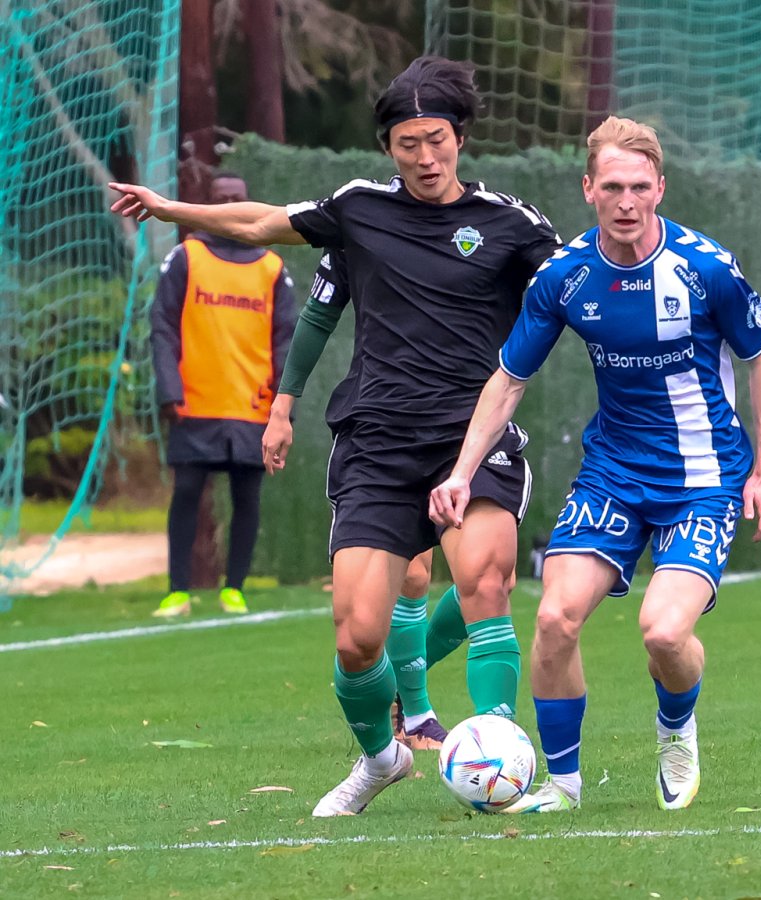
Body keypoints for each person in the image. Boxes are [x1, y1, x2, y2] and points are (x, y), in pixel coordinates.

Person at [111, 56, 561, 816]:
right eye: (409, 144)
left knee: (485, 586)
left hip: (471, 439)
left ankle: (498, 753)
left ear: (460, 138)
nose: (426, 158)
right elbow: (259, 223)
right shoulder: (359, 209)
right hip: (376, 443)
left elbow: (578, 286)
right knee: (356, 638)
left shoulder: (512, 225)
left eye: (438, 140)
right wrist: (167, 208)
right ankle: (383, 757)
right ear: (388, 147)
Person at [430, 116, 761, 814]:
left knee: (664, 632)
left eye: (640, 187)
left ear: (660, 189)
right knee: (555, 619)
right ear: (588, 188)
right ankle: (563, 785)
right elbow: (509, 380)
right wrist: (462, 472)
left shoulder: (705, 267)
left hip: (703, 481)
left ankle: (676, 729)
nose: (627, 202)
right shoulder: (565, 277)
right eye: (613, 187)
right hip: (614, 475)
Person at [264, 249, 468, 751]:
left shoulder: (488, 223)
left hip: (465, 415)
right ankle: (414, 714)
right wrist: (283, 407)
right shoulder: (361, 224)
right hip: (383, 427)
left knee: (485, 577)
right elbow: (317, 310)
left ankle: (406, 694)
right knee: (413, 577)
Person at [149, 172, 296, 618]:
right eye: (220, 198)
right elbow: (162, 328)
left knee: (247, 497)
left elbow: (286, 339)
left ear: (246, 202)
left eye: (236, 197)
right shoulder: (185, 257)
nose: (229, 204)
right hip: (196, 401)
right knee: (187, 493)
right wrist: (169, 390)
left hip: (253, 405)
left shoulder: (272, 267)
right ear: (209, 205)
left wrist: (283, 403)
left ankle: (235, 588)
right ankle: (177, 591)